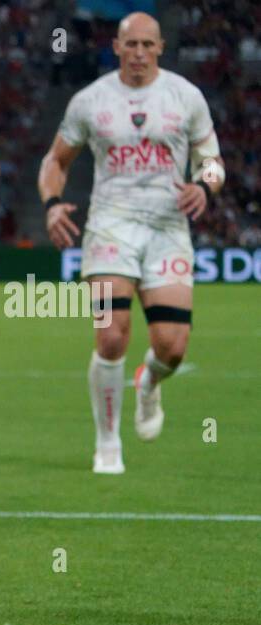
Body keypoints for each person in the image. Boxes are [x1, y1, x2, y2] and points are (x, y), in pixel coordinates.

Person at [39, 12, 224, 474]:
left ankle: (149, 382)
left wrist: (204, 185)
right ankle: (107, 444)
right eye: (131, 45)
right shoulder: (90, 100)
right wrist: (52, 203)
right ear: (117, 48)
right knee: (110, 333)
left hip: (167, 230)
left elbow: (213, 161)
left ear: (160, 47)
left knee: (173, 346)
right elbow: (56, 160)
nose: (139, 53)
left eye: (148, 44)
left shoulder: (186, 97)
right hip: (109, 231)